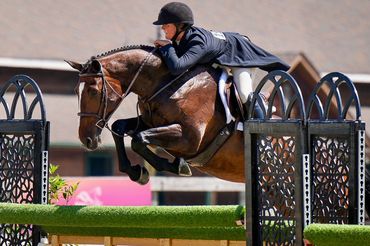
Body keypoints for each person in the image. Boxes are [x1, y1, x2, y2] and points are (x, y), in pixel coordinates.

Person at [153, 2, 290, 118]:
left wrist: (168, 48)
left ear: (180, 26)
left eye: (166, 25)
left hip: (239, 54)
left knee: (244, 93)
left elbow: (177, 68)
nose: (162, 28)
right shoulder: (182, 39)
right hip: (221, 56)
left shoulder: (198, 44)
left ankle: (263, 132)